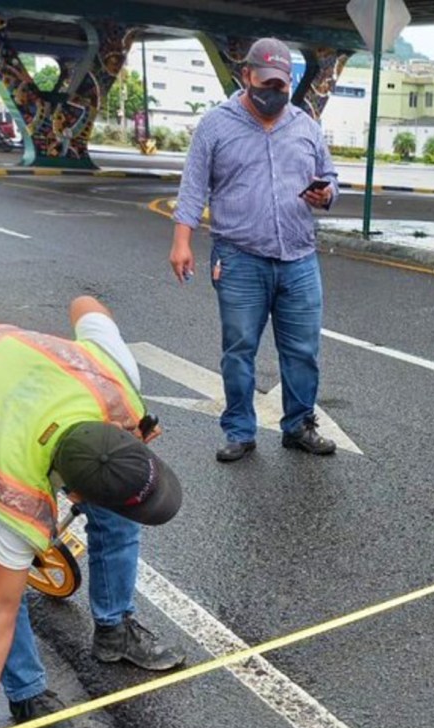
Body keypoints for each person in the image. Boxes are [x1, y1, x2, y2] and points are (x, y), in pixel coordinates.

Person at [0, 296, 186, 728]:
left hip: (22, 363)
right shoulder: (7, 487)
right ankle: (27, 694)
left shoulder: (113, 375)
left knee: (117, 507)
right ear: (74, 495)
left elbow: (84, 303)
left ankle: (114, 629)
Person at [169, 37, 339, 463]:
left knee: (303, 351)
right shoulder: (215, 125)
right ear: (246, 76)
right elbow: (193, 187)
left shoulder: (305, 126)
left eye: (281, 86)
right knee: (239, 349)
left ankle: (298, 425)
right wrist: (182, 241)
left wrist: (327, 194)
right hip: (239, 256)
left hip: (299, 257)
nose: (273, 93)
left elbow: (329, 175)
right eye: (266, 83)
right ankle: (239, 430)